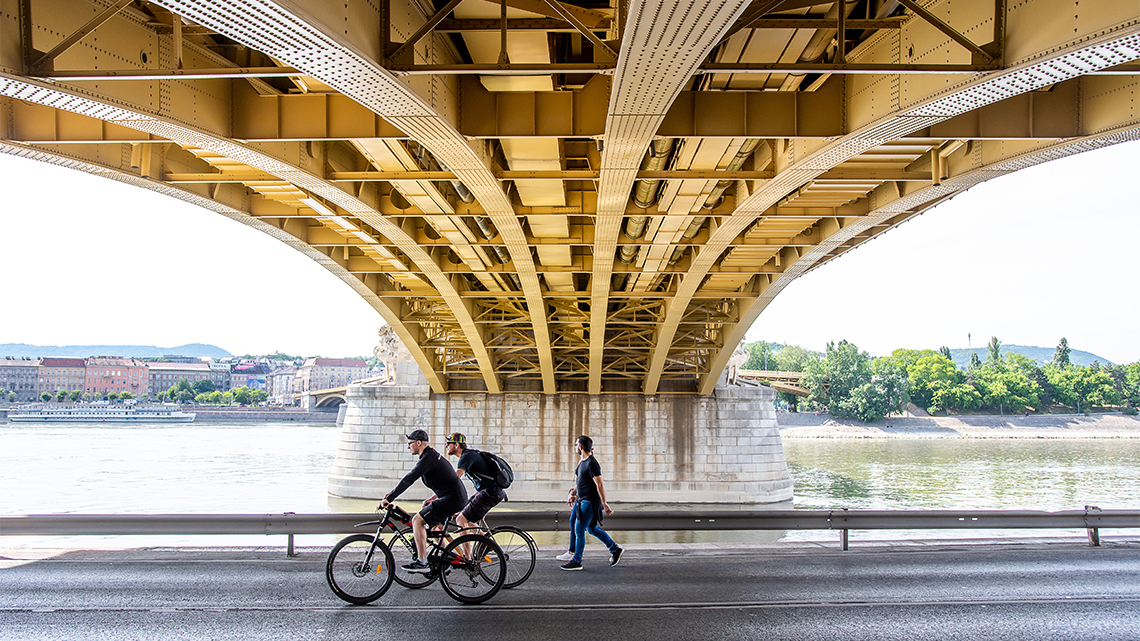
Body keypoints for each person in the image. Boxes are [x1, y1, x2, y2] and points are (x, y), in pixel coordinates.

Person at [378, 429, 467, 574]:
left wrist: (389, 498)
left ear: (418, 443)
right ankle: (446, 561)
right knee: (433, 527)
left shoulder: (428, 458)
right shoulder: (429, 456)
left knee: (417, 521)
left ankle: (422, 562)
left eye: (410, 443)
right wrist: (432, 499)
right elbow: (444, 482)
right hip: (453, 497)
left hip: (452, 499)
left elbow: (409, 479)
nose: (408, 447)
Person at [560, 435, 623, 571]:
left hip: (589, 502)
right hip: (582, 500)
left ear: (581, 447)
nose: (575, 447)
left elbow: (599, 485)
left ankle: (577, 561)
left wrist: (604, 504)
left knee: (579, 529)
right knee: (591, 528)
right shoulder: (582, 461)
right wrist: (574, 493)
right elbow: (582, 480)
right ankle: (614, 549)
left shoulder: (592, 463)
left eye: (576, 444)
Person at [431, 432, 507, 531]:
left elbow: (455, 478)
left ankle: (469, 546)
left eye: (448, 443)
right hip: (489, 492)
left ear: (456, 445)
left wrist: (436, 496)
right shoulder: (469, 455)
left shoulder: (467, 456)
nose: (446, 446)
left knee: (461, 520)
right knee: (463, 515)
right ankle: (486, 544)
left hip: (490, 493)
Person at [555, 486, 579, 561]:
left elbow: (584, 478)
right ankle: (573, 553)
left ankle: (573, 554)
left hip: (586, 496)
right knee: (574, 522)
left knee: (591, 528)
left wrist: (574, 493)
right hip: (583, 495)